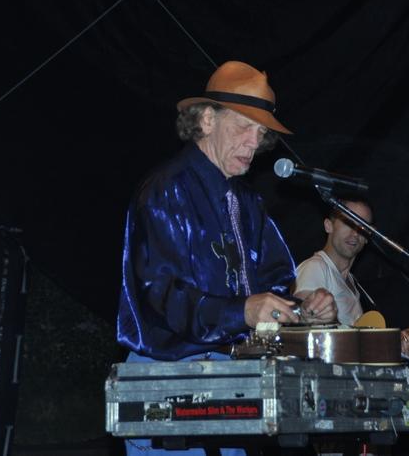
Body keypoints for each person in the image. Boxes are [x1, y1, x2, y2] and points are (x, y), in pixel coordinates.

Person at [117, 61, 337, 455]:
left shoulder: (247, 201)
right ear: (206, 120)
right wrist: (243, 311)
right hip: (170, 377)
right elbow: (161, 296)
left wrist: (302, 308)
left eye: (261, 134)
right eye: (243, 127)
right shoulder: (166, 189)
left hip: (233, 377)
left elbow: (272, 281)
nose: (254, 143)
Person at [293, 198, 409, 358]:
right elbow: (302, 322)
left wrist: (391, 349)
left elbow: (354, 351)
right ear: (329, 226)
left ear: (368, 236)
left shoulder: (352, 282)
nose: (355, 233)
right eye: (348, 223)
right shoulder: (315, 267)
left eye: (363, 226)